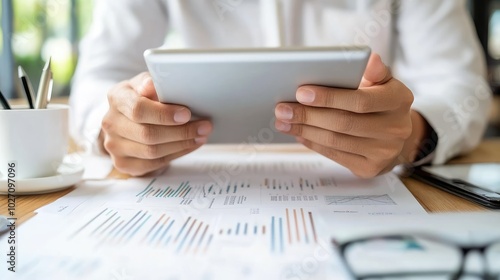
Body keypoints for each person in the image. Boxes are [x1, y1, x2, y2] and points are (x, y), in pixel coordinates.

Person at [70, 0, 491, 178]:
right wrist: (114, 127)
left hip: (368, 182)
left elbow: (460, 83)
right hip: (202, 177)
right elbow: (98, 76)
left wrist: (412, 136)